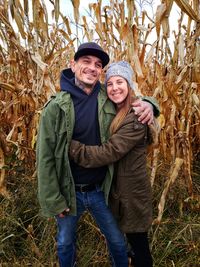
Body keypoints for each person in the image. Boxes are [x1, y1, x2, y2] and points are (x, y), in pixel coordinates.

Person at [36, 42, 159, 267]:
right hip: (69, 190)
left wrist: (150, 105)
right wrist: (53, 199)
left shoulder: (106, 96)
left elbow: (133, 97)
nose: (93, 68)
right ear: (72, 65)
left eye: (98, 64)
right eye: (86, 62)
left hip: (101, 189)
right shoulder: (56, 107)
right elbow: (45, 157)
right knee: (64, 242)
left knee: (118, 243)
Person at [69, 61, 159, 267]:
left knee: (139, 246)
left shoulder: (137, 117)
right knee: (125, 244)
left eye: (120, 82)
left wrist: (71, 147)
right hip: (116, 190)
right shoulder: (114, 109)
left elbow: (109, 152)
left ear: (129, 85)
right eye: (109, 83)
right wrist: (151, 102)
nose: (114, 88)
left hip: (132, 192)